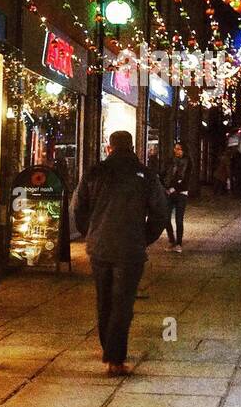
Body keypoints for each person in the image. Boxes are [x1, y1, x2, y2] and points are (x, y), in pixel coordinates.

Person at [72, 130, 168, 376]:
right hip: (130, 247)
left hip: (100, 247)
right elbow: (160, 212)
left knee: (103, 299)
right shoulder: (145, 175)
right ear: (133, 147)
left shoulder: (95, 173)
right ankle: (115, 357)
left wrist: (91, 232)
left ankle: (109, 347)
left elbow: (78, 208)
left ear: (109, 147)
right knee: (123, 302)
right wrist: (145, 237)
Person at [161, 141, 193, 251]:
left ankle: (179, 244)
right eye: (175, 148)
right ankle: (171, 241)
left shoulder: (188, 162)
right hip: (169, 192)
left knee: (179, 219)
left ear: (184, 150)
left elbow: (185, 179)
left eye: (179, 149)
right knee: (165, 218)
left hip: (181, 193)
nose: (176, 151)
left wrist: (174, 188)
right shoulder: (171, 161)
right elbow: (164, 173)